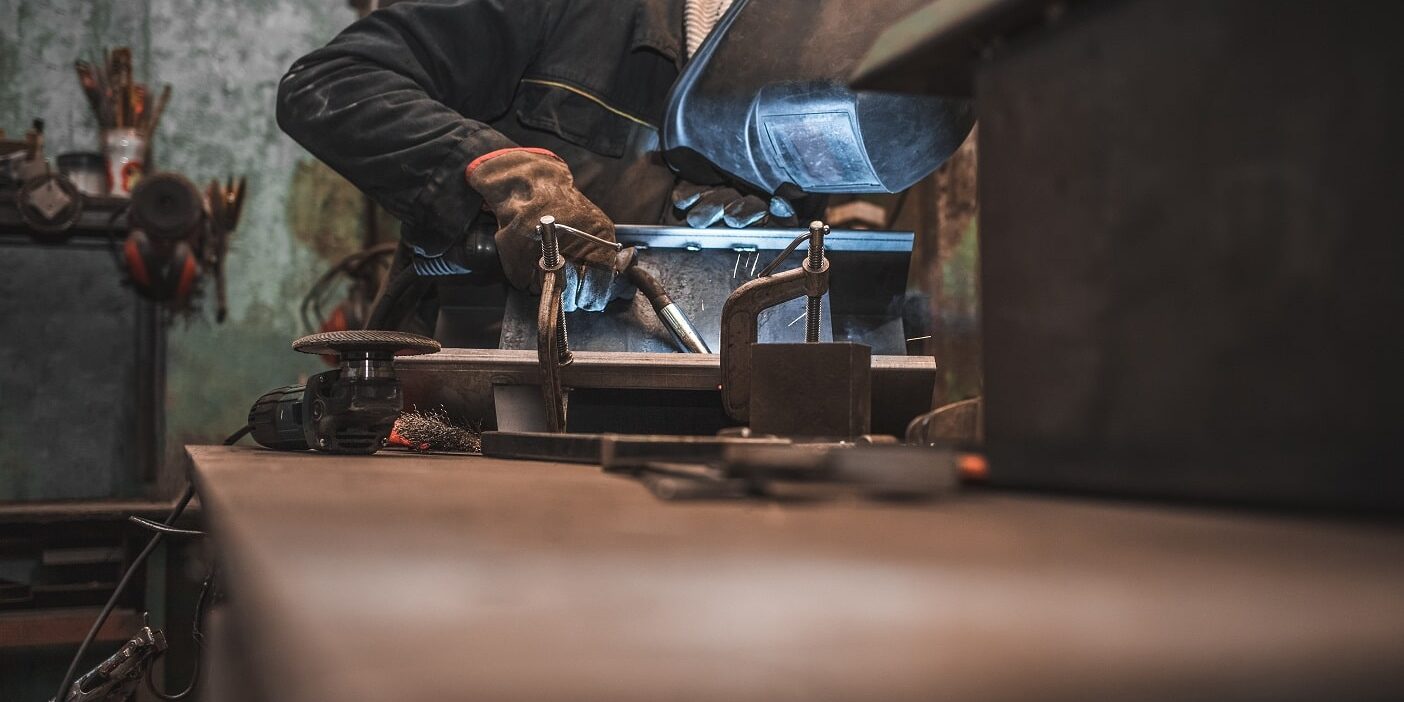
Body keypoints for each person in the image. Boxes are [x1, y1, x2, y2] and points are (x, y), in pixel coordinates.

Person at [277, 0, 790, 315]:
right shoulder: (570, 10)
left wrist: (675, 222)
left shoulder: (784, 76)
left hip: (661, 394)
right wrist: (507, 175)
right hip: (471, 385)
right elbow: (332, 82)